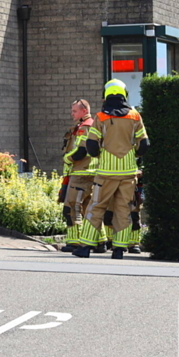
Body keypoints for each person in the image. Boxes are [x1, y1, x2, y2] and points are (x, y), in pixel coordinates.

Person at [72, 79, 149, 260]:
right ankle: (119, 249)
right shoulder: (135, 116)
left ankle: (85, 247)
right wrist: (133, 155)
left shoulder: (101, 117)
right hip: (128, 172)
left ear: (106, 95)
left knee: (97, 206)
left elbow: (91, 144)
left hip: (105, 173)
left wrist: (101, 155)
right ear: (124, 94)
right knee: (124, 209)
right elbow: (144, 144)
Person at [59, 99, 98, 252]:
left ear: (84, 111)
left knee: (71, 208)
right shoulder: (92, 125)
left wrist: (66, 158)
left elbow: (82, 151)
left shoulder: (85, 127)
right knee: (89, 209)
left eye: (74, 111)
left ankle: (74, 242)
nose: (72, 114)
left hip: (81, 174)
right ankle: (99, 242)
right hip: (91, 174)